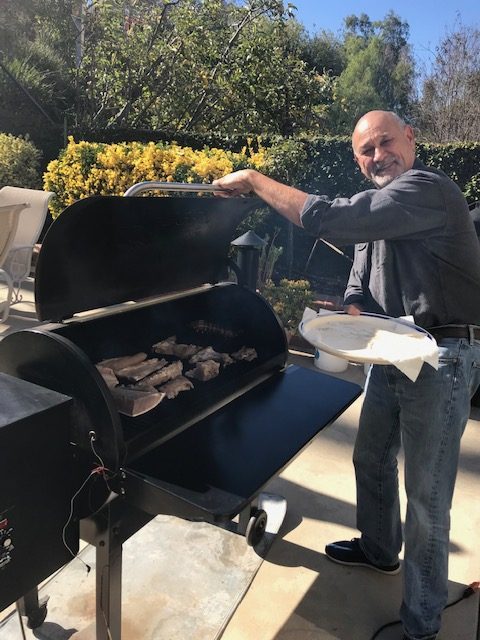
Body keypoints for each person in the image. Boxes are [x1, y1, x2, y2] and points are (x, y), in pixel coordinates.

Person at [213, 110, 480, 640]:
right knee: (372, 456)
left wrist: (253, 180)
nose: (378, 156)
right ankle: (380, 551)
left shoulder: (428, 188)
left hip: (443, 354)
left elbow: (331, 218)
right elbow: (360, 271)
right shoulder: (380, 211)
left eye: (386, 142)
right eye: (366, 150)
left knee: (427, 496)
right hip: (390, 345)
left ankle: (422, 627)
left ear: (412, 139)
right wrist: (354, 305)